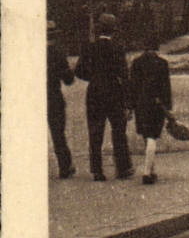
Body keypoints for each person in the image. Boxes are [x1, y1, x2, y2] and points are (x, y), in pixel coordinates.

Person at [75, 15, 133, 181]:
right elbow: (124, 75)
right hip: (114, 92)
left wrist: (93, 78)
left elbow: (79, 71)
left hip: (94, 92)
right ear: (113, 31)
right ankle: (123, 168)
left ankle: (97, 171)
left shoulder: (89, 47)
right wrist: (128, 102)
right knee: (119, 131)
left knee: (95, 132)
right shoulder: (118, 48)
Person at [129, 36, 173, 185]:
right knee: (152, 137)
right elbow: (166, 87)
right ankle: (147, 172)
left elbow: (132, 87)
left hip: (141, 104)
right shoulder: (162, 63)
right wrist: (168, 107)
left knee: (146, 136)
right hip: (156, 104)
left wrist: (130, 106)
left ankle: (151, 170)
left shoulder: (136, 63)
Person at [47, 22, 77, 179]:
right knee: (58, 133)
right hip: (53, 97)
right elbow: (68, 80)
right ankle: (64, 166)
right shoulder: (58, 53)